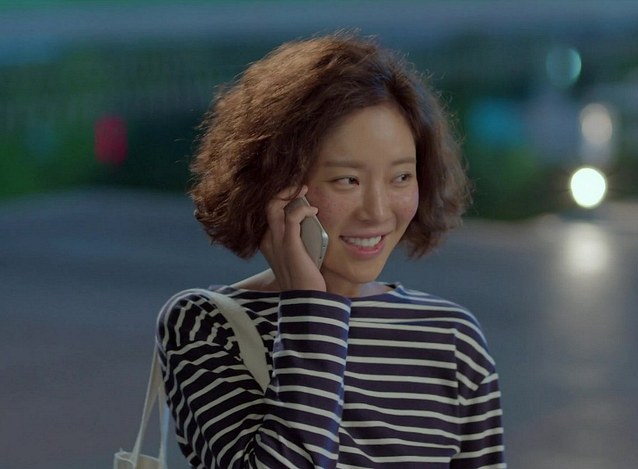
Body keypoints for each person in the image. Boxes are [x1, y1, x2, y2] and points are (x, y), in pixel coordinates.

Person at [157, 32, 505, 468]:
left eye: (401, 177)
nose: (378, 211)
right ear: (277, 184)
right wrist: (309, 307)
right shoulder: (204, 324)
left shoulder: (452, 338)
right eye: (347, 180)